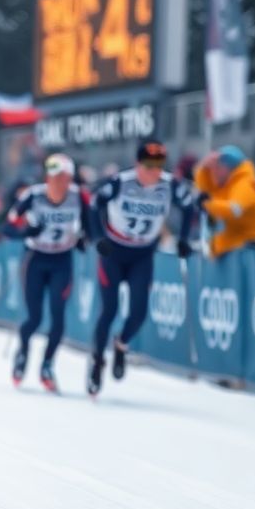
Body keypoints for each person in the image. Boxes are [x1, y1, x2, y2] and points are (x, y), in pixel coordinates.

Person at [88, 140, 194, 395]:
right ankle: (97, 361)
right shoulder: (120, 182)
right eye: (148, 166)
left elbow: (189, 206)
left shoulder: (170, 184)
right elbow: (94, 204)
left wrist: (184, 239)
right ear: (137, 165)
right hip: (114, 252)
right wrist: (98, 237)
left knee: (139, 312)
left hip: (142, 254)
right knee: (109, 310)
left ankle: (121, 345)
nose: (153, 172)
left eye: (158, 166)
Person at [0, 153, 90, 392]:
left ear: (69, 179)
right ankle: (23, 352)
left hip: (62, 259)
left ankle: (47, 365)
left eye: (62, 178)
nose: (57, 183)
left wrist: (85, 239)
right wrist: (26, 232)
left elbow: (91, 226)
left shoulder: (78, 196)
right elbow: (7, 227)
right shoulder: (33, 195)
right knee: (35, 317)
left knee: (58, 316)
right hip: (35, 259)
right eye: (53, 177)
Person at [194, 146, 255, 256]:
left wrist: (208, 204)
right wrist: (204, 168)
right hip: (237, 245)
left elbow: (234, 210)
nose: (214, 172)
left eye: (218, 167)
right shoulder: (226, 185)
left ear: (228, 168)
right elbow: (206, 189)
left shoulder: (245, 184)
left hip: (252, 246)